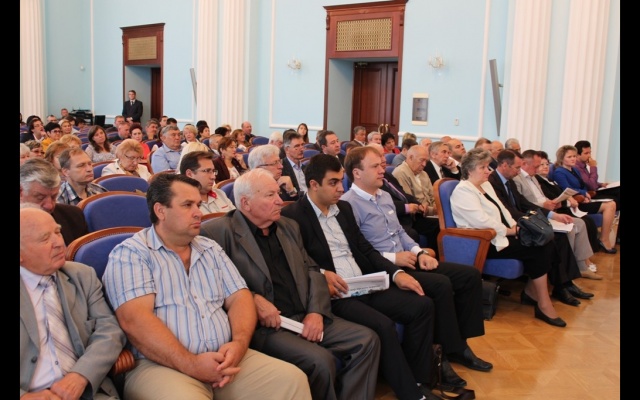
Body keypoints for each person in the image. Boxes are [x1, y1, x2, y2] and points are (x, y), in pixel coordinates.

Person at [102, 173, 311, 400]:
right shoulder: (131, 254)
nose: (198, 213)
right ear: (160, 211)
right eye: (187, 205)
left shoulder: (210, 248)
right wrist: (191, 364)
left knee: (292, 380)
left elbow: (240, 297)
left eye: (198, 205)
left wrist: (239, 344)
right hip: (161, 365)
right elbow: (135, 320)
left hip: (225, 358)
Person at [199, 168, 381, 400]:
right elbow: (213, 287)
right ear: (245, 203)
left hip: (304, 313)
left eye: (278, 193)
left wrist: (315, 312)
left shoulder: (288, 226)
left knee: (367, 340)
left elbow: (312, 270)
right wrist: (252, 299)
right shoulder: (216, 233)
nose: (279, 200)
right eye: (270, 195)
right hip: (268, 327)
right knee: (320, 361)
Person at [281, 154, 452, 400]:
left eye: (341, 181)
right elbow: (297, 261)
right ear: (314, 185)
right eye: (333, 183)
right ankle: (412, 395)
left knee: (422, 306)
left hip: (365, 282)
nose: (341, 188)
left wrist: (397, 274)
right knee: (383, 325)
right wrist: (322, 274)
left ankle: (420, 379)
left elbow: (365, 249)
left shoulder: (344, 209)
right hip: (337, 293)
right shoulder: (294, 216)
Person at [341, 146, 491, 373]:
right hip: (385, 269)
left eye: (382, 164)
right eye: (375, 166)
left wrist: (419, 252)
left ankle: (460, 344)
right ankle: (445, 353)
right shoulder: (348, 204)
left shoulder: (384, 196)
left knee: (469, 276)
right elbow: (360, 251)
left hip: (408, 259)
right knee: (441, 284)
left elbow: (400, 232)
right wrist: (395, 258)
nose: (382, 170)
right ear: (357, 173)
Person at [451, 148, 567, 327]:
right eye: (483, 167)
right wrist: (511, 231)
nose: (488, 171)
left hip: (500, 234)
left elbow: (503, 209)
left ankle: (532, 292)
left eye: (487, 167)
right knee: (538, 248)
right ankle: (543, 303)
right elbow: (481, 221)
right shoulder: (463, 191)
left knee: (547, 241)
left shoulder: (485, 185)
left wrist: (515, 226)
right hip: (483, 241)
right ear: (469, 170)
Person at [20, 205, 125, 399]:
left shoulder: (82, 275)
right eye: (45, 239)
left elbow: (109, 331)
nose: (59, 243)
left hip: (87, 391)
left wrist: (81, 375)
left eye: (57, 232)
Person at [488, 149, 594, 307]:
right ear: (504, 165)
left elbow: (524, 203)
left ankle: (566, 284)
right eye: (517, 167)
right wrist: (532, 222)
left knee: (561, 236)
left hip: (520, 221)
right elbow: (507, 211)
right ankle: (560, 287)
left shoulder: (508, 180)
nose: (519, 171)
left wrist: (552, 215)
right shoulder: (493, 182)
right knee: (552, 238)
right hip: (510, 226)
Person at [515, 150, 601, 280]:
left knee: (580, 223)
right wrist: (545, 205)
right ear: (524, 164)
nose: (538, 168)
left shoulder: (534, 177)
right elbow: (524, 203)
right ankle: (565, 270)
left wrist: (552, 202)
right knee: (569, 228)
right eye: (536, 166)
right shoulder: (517, 179)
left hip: (547, 209)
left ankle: (582, 265)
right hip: (537, 214)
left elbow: (542, 196)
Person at [552, 145, 618, 253]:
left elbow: (582, 185)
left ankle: (604, 238)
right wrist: (584, 193)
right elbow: (567, 189)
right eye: (569, 157)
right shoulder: (559, 172)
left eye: (574, 156)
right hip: (575, 203)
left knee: (612, 202)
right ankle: (604, 240)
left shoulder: (574, 169)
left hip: (583, 199)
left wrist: (586, 194)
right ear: (561, 158)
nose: (573, 159)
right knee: (610, 205)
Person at [20, 158, 89, 245]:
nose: (49, 205)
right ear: (21, 192)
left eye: (53, 197)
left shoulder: (73, 216)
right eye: (40, 198)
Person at [179, 150, 236, 215]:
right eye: (207, 171)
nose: (213, 177)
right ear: (189, 174)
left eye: (213, 171)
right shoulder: (182, 204)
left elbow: (236, 219)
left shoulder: (220, 194)